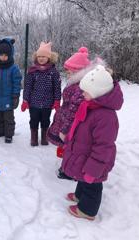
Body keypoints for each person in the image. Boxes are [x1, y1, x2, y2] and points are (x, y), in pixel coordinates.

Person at [61, 65, 123, 220]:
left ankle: (87, 211)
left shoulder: (106, 117)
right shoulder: (90, 105)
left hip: (94, 161)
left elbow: (104, 147)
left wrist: (93, 170)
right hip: (84, 154)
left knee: (92, 184)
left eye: (85, 91)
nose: (82, 93)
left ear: (98, 92)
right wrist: (70, 139)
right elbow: (78, 124)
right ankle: (79, 195)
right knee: (83, 179)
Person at [47, 47, 91, 179]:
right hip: (65, 119)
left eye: (70, 71)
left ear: (79, 71)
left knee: (71, 147)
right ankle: (67, 166)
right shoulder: (75, 83)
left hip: (71, 124)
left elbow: (74, 111)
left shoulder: (80, 87)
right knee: (68, 147)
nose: (67, 73)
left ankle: (69, 171)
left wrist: (65, 129)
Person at [21, 42, 61, 146]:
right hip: (34, 103)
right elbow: (28, 87)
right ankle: (33, 138)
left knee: (45, 121)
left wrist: (57, 100)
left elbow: (57, 87)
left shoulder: (53, 72)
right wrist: (25, 100)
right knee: (34, 120)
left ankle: (44, 137)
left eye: (44, 56)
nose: (41, 58)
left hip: (47, 103)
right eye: (39, 56)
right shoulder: (32, 71)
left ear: (49, 57)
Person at [0, 38, 22, 143]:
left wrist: (15, 96)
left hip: (9, 99)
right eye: (1, 55)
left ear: (10, 55)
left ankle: (9, 134)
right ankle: (1, 132)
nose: (3, 57)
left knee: (8, 119)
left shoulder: (14, 68)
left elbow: (17, 83)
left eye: (6, 55)